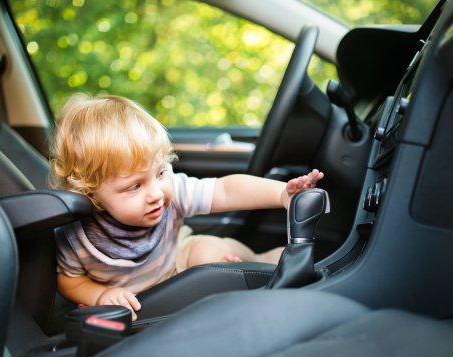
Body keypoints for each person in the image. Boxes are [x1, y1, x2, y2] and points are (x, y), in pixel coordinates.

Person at [50, 93, 323, 320]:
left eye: (160, 173)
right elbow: (67, 280)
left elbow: (225, 191)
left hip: (180, 261)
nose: (156, 193)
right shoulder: (76, 236)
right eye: (134, 186)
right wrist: (98, 295)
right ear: (91, 193)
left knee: (210, 251)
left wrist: (281, 194)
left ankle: (267, 263)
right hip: (136, 303)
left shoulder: (173, 192)